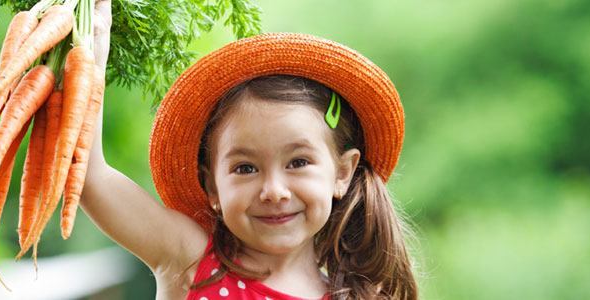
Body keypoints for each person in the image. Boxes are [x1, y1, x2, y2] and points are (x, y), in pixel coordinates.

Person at [83, 2, 417, 299]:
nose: (274, 190)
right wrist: (88, 58)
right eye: (245, 168)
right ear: (212, 185)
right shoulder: (190, 260)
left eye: (298, 162)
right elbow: (89, 176)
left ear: (342, 172)